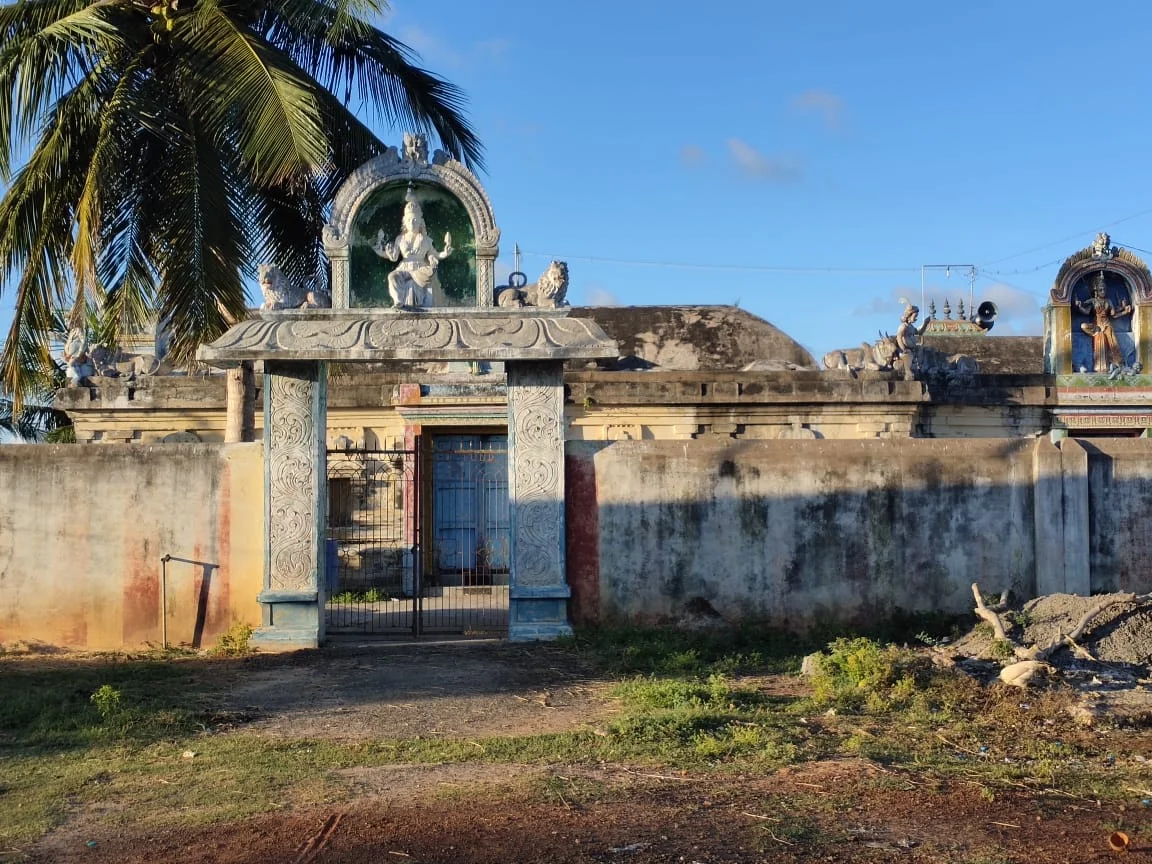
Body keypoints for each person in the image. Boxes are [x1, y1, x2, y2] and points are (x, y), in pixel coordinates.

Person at [373, 186, 453, 308]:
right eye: (409, 220)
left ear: (420, 222)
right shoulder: (400, 239)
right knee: (392, 276)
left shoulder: (425, 240)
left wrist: (445, 253)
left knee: (416, 283)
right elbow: (394, 257)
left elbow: (434, 255)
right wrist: (382, 252)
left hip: (420, 270)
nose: (412, 223)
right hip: (404, 269)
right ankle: (398, 301)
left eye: (415, 220)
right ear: (405, 221)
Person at [1076, 273, 1132, 372]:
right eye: (1101, 289)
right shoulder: (1092, 301)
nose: (1103, 291)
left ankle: (1118, 365)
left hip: (1107, 325)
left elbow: (1114, 315)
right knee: (1085, 328)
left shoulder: (1109, 301)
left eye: (1104, 289)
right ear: (1096, 290)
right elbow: (1086, 311)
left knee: (1113, 345)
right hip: (1096, 326)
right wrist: (1079, 306)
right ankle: (1100, 367)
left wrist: (1125, 311)